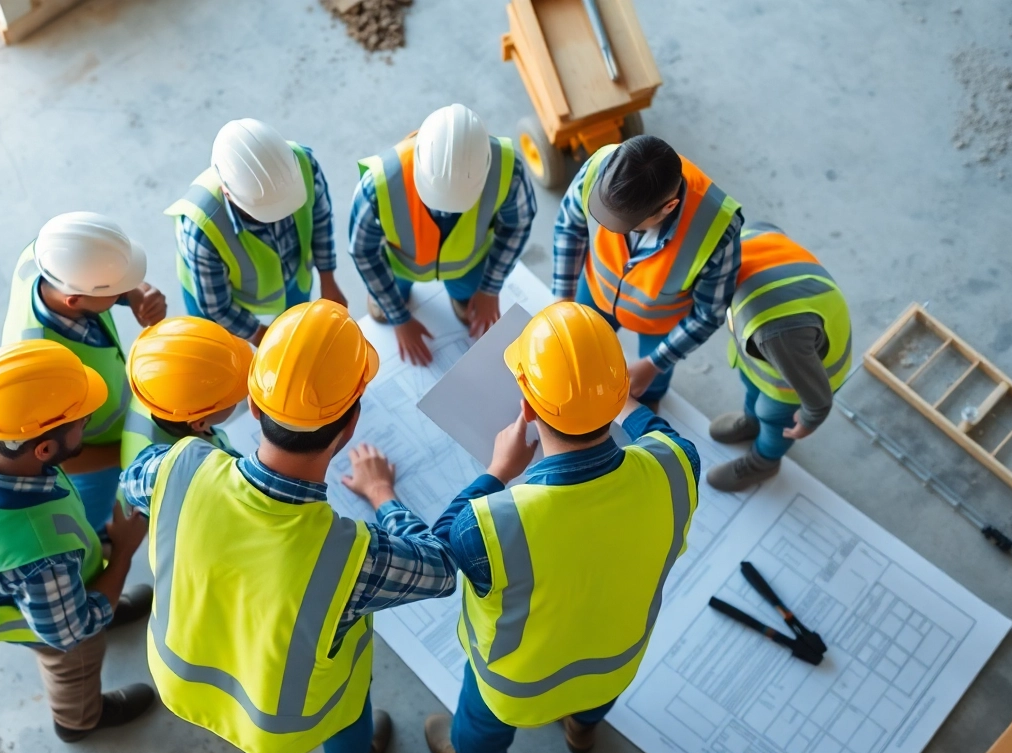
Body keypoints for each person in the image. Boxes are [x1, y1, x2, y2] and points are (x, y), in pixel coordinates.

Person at [119, 300, 459, 753]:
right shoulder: (355, 557)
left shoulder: (173, 467)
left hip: (176, 674)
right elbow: (442, 569)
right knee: (348, 713)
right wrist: (382, 494)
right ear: (351, 424)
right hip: (287, 721)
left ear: (253, 405)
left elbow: (132, 483)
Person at [422, 303, 701, 753]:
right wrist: (607, 393)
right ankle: (581, 730)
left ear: (527, 409)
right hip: (614, 663)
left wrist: (496, 472)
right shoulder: (678, 464)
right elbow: (655, 429)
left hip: (515, 685)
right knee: (594, 699)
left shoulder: (490, 524)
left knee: (481, 725)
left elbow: (438, 548)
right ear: (621, 393)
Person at [0, 340, 156, 742]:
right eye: (83, 420)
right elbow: (69, 633)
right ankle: (79, 721)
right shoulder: (39, 553)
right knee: (76, 661)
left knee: (87, 603)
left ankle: (105, 601)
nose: (88, 419)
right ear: (45, 448)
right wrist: (123, 555)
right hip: (47, 620)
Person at [2, 212, 167, 533]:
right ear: (75, 299)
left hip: (112, 426)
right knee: (91, 521)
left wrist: (136, 293)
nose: (125, 288)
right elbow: (61, 457)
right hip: (95, 458)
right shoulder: (41, 372)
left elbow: (100, 283)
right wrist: (129, 450)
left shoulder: (44, 257)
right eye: (117, 288)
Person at [552, 134, 743, 408]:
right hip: (596, 290)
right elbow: (569, 226)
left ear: (668, 207)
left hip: (660, 323)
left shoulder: (717, 228)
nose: (607, 228)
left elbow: (709, 313)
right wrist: (562, 297)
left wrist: (654, 364)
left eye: (624, 224)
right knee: (577, 348)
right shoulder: (601, 167)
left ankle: (650, 398)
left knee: (648, 384)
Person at [350, 104, 537, 365]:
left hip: (467, 261)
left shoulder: (508, 171)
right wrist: (399, 318)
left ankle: (464, 292)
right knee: (389, 295)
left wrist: (489, 288)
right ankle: (394, 299)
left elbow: (518, 226)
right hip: (401, 264)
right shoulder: (379, 184)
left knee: (469, 290)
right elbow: (363, 251)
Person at [166, 118, 347, 345]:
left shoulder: (303, 165)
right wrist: (267, 340)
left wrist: (328, 279)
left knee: (300, 331)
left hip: (290, 272)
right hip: (211, 294)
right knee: (218, 347)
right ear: (228, 194)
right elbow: (217, 307)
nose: (280, 217)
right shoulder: (201, 229)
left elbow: (321, 221)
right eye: (266, 212)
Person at [707, 222, 852, 490]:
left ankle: (763, 462)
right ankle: (751, 423)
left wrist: (809, 420)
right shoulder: (748, 237)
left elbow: (817, 396)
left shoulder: (777, 332)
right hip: (768, 362)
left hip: (796, 383)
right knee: (752, 392)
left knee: (774, 419)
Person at [119, 316, 253, 469]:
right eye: (234, 399)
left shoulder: (153, 389)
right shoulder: (193, 466)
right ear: (199, 424)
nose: (240, 399)